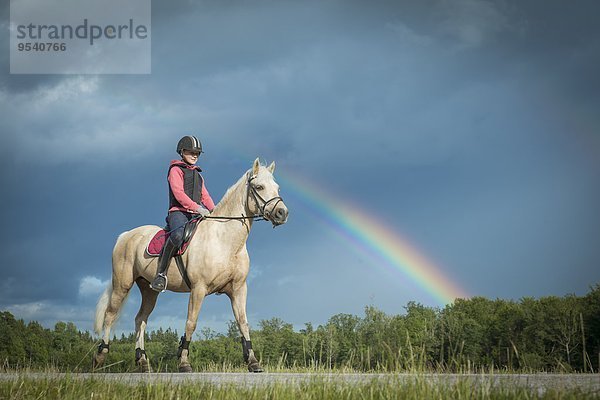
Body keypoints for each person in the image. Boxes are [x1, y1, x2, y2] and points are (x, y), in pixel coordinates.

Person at [150, 135, 215, 292]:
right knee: (178, 236)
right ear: (182, 151)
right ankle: (161, 274)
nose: (194, 155)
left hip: (195, 214)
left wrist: (214, 211)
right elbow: (178, 193)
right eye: (191, 152)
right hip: (178, 212)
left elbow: (205, 196)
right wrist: (197, 208)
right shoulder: (175, 170)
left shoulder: (198, 175)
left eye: (197, 153)